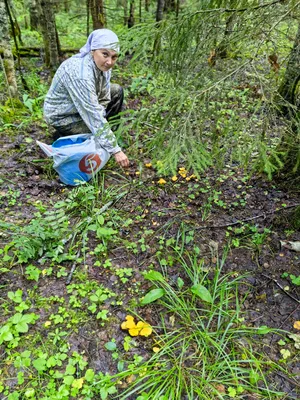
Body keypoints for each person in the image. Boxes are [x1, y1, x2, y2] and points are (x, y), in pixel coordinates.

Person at [43, 29, 129, 168]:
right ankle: (62, 135)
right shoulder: (80, 73)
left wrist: (103, 126)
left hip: (83, 106)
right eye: (105, 54)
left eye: (114, 57)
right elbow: (92, 113)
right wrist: (116, 150)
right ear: (93, 50)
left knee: (116, 91)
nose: (109, 61)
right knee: (95, 131)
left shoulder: (103, 65)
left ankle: (106, 138)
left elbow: (104, 96)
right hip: (63, 115)